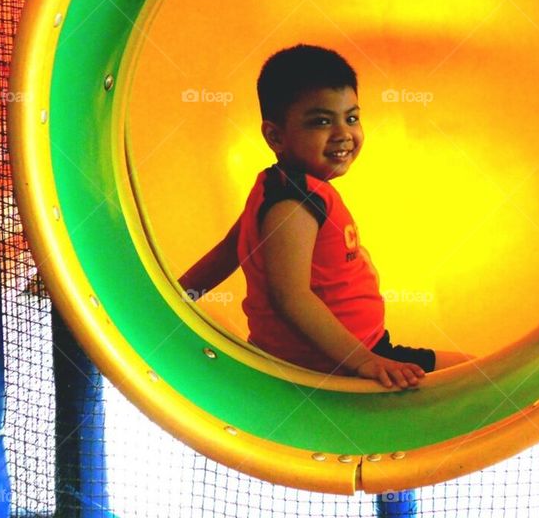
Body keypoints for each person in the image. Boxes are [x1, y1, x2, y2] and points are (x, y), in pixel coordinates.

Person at [179, 44, 472, 389]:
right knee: (472, 376)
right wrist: (364, 361)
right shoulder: (292, 204)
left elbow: (230, 249)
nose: (343, 134)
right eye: (320, 121)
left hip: (354, 353)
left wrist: (181, 295)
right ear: (275, 135)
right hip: (335, 366)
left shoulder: (283, 186)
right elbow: (291, 298)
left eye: (351, 117)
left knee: (470, 371)